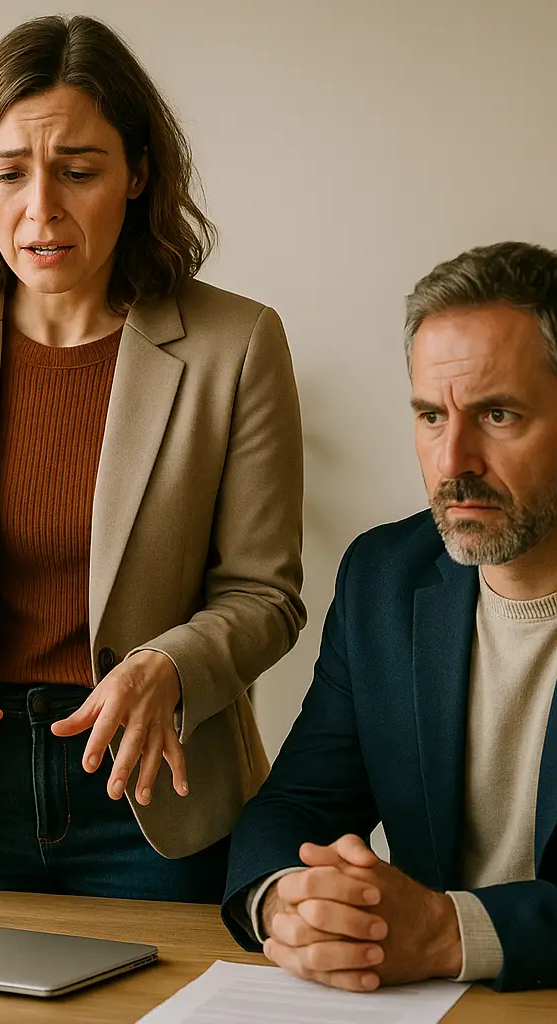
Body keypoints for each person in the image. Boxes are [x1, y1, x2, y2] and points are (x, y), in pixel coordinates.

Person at [0, 14, 305, 901]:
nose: (40, 209)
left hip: (154, 789)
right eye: (9, 173)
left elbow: (265, 594)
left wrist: (169, 668)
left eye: (79, 171)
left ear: (137, 173)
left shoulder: (237, 343)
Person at [221, 241, 557, 993]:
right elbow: (300, 802)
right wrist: (285, 902)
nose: (452, 460)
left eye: (497, 414)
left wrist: (450, 933)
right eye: (432, 416)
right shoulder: (385, 578)